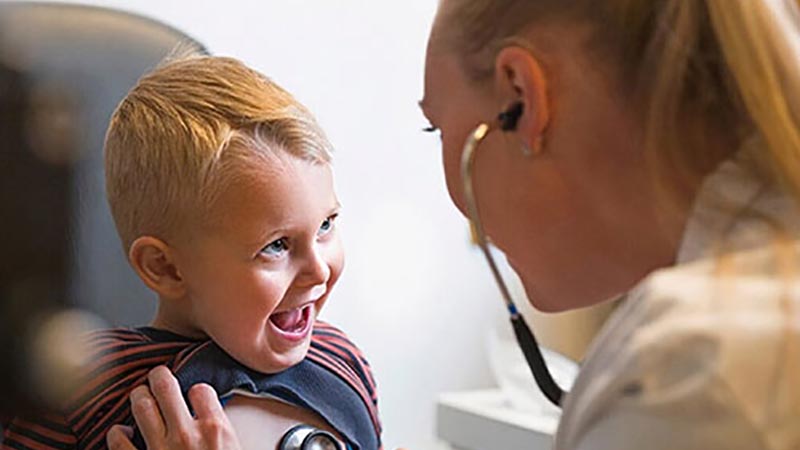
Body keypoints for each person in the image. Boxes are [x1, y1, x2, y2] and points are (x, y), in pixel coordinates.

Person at [113, 0, 800, 449]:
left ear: (519, 101)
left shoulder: (700, 380)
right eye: (274, 246)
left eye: (436, 125)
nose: (317, 267)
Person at [1, 55, 381, 450]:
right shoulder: (75, 391)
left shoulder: (342, 363)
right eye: (277, 246)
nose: (319, 270)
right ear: (166, 268)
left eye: (326, 225)